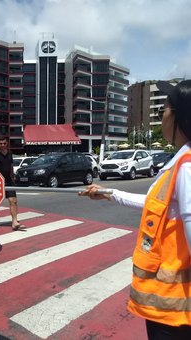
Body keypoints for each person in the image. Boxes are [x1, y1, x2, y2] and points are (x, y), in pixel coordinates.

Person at [80, 80, 191, 339]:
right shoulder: (180, 164)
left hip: (174, 311)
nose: (161, 116)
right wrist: (108, 193)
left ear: (178, 115)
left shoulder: (186, 167)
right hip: (168, 309)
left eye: (162, 109)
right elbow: (155, 207)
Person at [0, 136, 24, 230]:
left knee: (13, 201)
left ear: (7, 143)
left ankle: (14, 222)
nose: (2, 145)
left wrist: (13, 179)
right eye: (0, 143)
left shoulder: (9, 153)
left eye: (4, 143)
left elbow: (11, 166)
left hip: (9, 181)